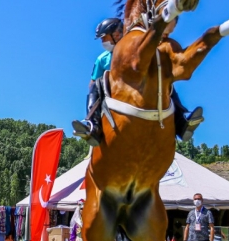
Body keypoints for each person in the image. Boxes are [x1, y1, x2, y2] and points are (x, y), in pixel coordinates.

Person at [71, 17, 203, 146]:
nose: (102, 42)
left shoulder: (135, 50)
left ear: (116, 35)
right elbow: (92, 81)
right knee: (95, 85)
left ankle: (182, 122)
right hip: (114, 92)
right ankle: (93, 125)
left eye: (104, 37)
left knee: (164, 80)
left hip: (141, 88)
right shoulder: (102, 59)